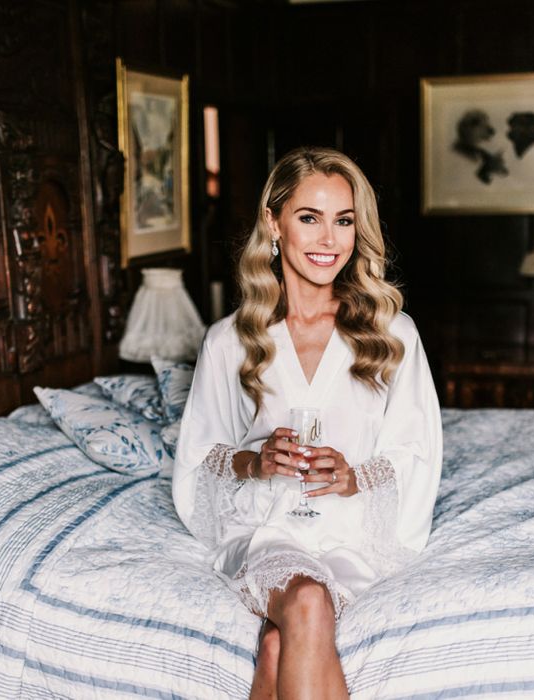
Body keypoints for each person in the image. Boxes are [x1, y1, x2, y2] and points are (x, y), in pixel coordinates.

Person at [173, 146, 442, 699]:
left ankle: (280, 644)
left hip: (353, 531)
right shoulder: (230, 340)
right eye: (309, 218)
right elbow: (201, 457)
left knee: (276, 646)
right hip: (268, 525)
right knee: (307, 601)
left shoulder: (393, 334)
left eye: (343, 220)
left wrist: (353, 477)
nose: (329, 239)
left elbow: (418, 450)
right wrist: (256, 460)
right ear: (273, 223)